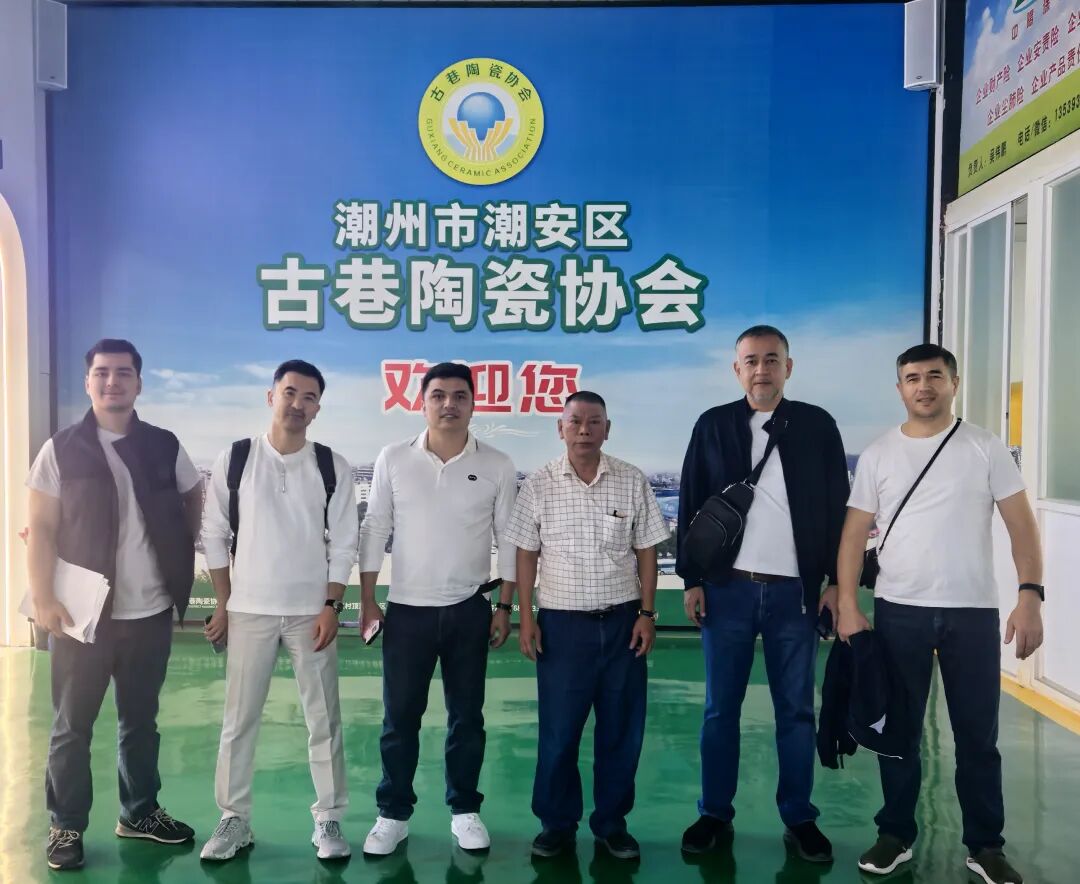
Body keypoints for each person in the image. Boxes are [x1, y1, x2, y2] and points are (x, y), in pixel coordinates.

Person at [837, 343, 1043, 884]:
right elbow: (854, 534)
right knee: (898, 731)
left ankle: (985, 845)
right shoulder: (880, 454)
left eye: (934, 375)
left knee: (977, 736)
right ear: (899, 388)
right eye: (912, 378)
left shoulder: (985, 447)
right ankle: (895, 834)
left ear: (953, 383)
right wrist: (848, 604)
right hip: (899, 610)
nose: (923, 386)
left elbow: (1021, 525)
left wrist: (1030, 596)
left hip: (971, 612)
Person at [26, 338, 202, 871]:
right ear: (88, 382)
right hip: (81, 616)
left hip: (148, 612)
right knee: (72, 726)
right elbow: (41, 529)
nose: (112, 381)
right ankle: (65, 825)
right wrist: (43, 597)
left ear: (138, 383)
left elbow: (192, 495)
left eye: (123, 373)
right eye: (102, 372)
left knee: (141, 722)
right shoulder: (61, 449)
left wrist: (178, 547)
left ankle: (139, 812)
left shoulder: (164, 445)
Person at [676, 325, 848, 862]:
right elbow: (691, 502)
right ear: (737, 370)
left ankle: (799, 816)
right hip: (727, 590)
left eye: (771, 359)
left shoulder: (817, 425)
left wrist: (836, 584)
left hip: (796, 594)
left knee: (796, 711)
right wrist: (692, 579)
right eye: (750, 360)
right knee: (719, 710)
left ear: (788, 367)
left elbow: (839, 506)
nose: (761, 369)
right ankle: (714, 812)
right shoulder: (713, 425)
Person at [199, 359, 358, 862]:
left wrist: (331, 605)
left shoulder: (331, 466)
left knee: (324, 719)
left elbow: (345, 544)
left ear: (318, 408)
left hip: (311, 614)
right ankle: (234, 818)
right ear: (272, 397)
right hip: (249, 610)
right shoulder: (237, 458)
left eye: (309, 397)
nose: (298, 404)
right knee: (239, 720)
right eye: (290, 392)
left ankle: (328, 816)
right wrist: (224, 603)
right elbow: (214, 534)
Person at [357, 362, 518, 855]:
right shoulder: (394, 457)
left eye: (459, 396)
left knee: (466, 718)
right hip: (407, 611)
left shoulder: (497, 464)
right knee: (399, 718)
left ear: (473, 403)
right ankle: (392, 813)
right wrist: (367, 598)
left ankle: (465, 810)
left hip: (470, 608)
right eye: (438, 395)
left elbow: (509, 538)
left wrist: (504, 605)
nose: (449, 404)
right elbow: (375, 527)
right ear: (421, 402)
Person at [505, 390, 669, 861]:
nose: (583, 430)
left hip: (622, 625)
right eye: (574, 421)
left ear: (607, 429)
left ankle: (611, 824)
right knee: (559, 734)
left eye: (594, 421)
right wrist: (526, 618)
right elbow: (525, 553)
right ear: (560, 428)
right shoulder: (539, 484)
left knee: (620, 732)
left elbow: (647, 550)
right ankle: (556, 824)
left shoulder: (631, 480)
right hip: (561, 629)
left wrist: (647, 614)